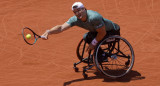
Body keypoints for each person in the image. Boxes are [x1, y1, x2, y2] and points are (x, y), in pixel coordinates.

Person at [41, 2, 120, 52]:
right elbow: (61, 27)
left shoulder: (94, 17)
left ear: (84, 9)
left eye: (79, 10)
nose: (77, 13)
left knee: (92, 39)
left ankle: (101, 56)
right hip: (97, 32)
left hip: (112, 32)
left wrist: (93, 43)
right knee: (86, 37)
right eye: (75, 12)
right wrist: (49, 32)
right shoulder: (75, 19)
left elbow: (102, 32)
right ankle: (100, 54)